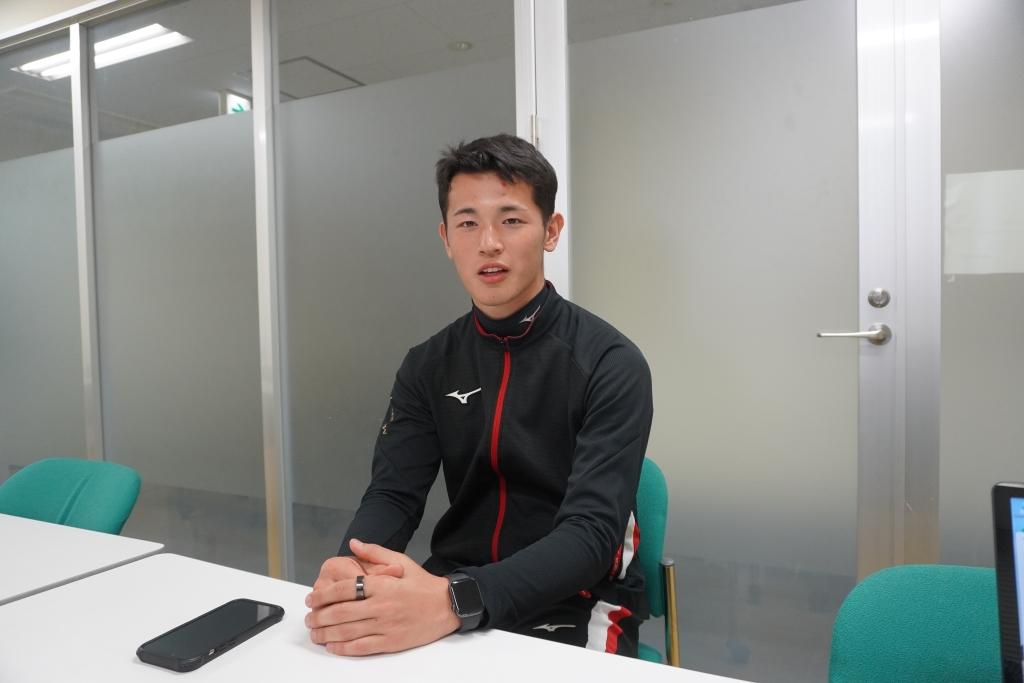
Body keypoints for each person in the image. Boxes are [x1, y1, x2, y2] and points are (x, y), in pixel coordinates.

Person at [304, 133, 653, 658]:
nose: (488, 243)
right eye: (468, 223)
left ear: (551, 231)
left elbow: (590, 536)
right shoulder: (427, 364)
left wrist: (453, 600)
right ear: (446, 238)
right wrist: (352, 568)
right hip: (454, 583)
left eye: (511, 220)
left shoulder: (611, 363)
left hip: (577, 597)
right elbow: (394, 494)